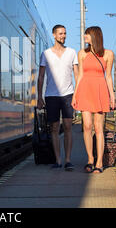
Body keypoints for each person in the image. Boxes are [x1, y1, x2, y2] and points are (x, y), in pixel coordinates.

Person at [72, 26, 115, 174]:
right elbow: (80, 76)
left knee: (98, 128)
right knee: (87, 126)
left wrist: (112, 97)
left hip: (100, 90)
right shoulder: (82, 53)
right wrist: (75, 95)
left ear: (95, 36)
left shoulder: (108, 54)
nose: (84, 36)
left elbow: (108, 76)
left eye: (87, 34)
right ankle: (90, 159)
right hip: (85, 90)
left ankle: (99, 162)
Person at [37, 25, 79, 171]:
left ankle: (68, 160)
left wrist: (77, 94)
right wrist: (39, 97)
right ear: (54, 35)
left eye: (65, 33)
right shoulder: (46, 54)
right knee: (54, 128)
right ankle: (58, 160)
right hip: (51, 95)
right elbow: (41, 76)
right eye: (61, 33)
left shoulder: (72, 52)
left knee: (67, 126)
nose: (63, 36)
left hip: (68, 95)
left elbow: (77, 75)